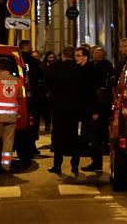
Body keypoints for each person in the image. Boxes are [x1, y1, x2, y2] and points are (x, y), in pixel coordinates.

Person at [48, 46, 82, 174]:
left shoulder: (56, 67)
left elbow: (48, 82)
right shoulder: (78, 68)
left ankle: (57, 164)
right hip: (73, 107)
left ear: (62, 55)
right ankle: (75, 164)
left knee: (58, 136)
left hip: (58, 107)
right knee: (74, 135)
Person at [82, 47, 114, 171]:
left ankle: (96, 162)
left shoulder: (96, 69)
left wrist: (95, 110)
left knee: (95, 136)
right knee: (99, 134)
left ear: (99, 55)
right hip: (104, 106)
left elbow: (93, 91)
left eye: (94, 53)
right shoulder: (108, 67)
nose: (92, 55)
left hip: (98, 107)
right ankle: (97, 160)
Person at [18, 39, 45, 157]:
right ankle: (31, 146)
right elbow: (41, 76)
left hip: (19, 96)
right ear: (27, 46)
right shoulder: (33, 61)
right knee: (33, 122)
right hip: (32, 97)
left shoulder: (17, 60)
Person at [75, 46, 95, 158]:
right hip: (82, 104)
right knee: (84, 128)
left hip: (88, 105)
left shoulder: (90, 69)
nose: (76, 58)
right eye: (75, 56)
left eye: (79, 56)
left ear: (86, 57)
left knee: (88, 129)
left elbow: (91, 90)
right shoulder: (80, 68)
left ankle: (88, 150)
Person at [42, 51, 56, 132]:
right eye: (50, 57)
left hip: (53, 91)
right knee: (46, 110)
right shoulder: (44, 66)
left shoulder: (55, 66)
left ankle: (52, 124)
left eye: (52, 57)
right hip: (46, 91)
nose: (51, 59)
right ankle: (47, 124)